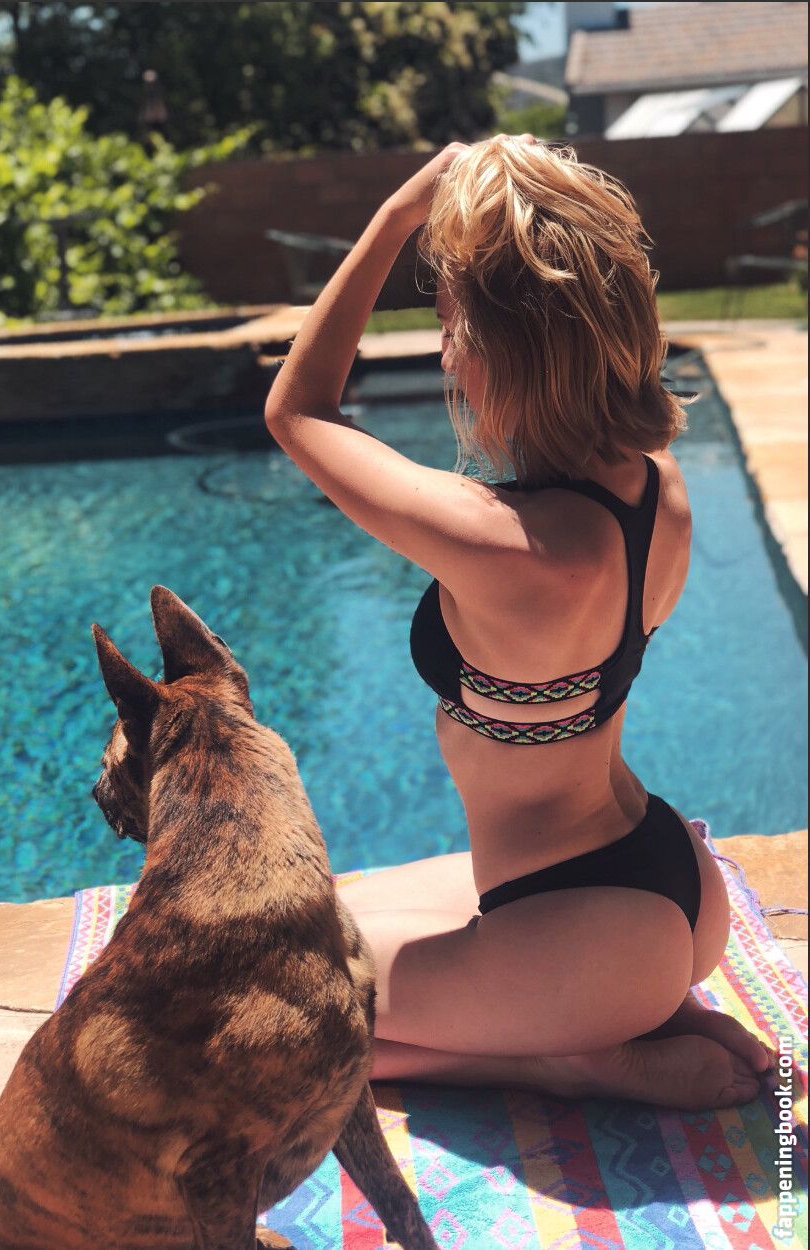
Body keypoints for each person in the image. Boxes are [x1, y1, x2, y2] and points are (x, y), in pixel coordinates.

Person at [264, 135, 775, 1110]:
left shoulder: (499, 543)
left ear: (500, 350)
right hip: (664, 880)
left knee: (253, 1007)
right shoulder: (658, 490)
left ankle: (568, 1057)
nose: (445, 349)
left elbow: (298, 411)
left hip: (580, 939)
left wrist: (396, 216)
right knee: (299, 921)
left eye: (449, 321)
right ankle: (626, 1013)